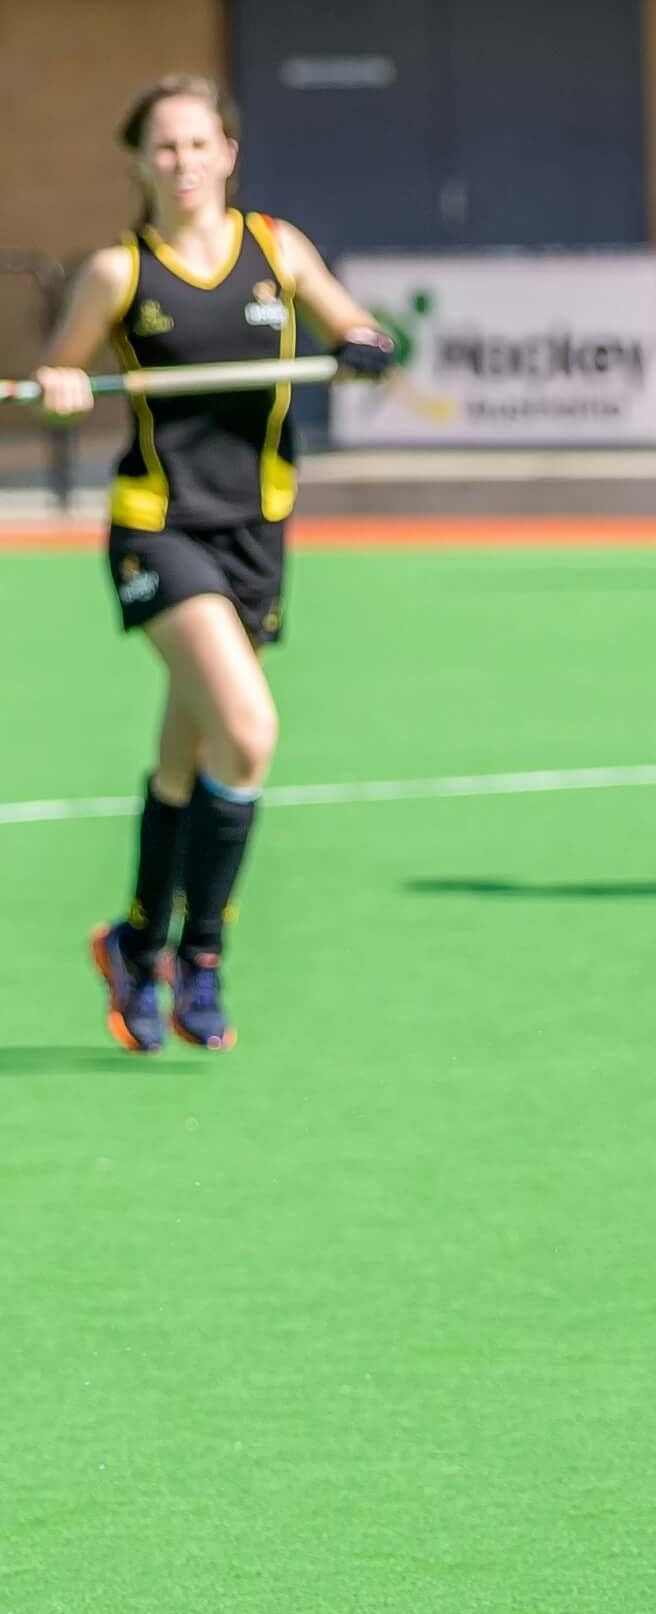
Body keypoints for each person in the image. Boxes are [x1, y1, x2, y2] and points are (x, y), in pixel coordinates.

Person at [30, 75, 395, 1055]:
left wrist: (365, 343)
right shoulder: (117, 272)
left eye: (199, 144)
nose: (182, 163)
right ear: (138, 161)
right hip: (160, 525)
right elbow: (59, 378)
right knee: (249, 728)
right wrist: (63, 387)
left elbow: (353, 326)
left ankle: (133, 945)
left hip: (257, 531)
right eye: (164, 147)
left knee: (186, 762)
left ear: (227, 152)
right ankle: (200, 956)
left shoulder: (279, 250)